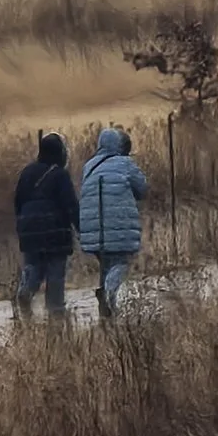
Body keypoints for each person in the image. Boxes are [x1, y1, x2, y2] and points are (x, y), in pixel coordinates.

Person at [76, 125, 148, 319]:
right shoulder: (125, 164)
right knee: (121, 262)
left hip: (92, 227)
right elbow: (142, 188)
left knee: (106, 266)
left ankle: (107, 316)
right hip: (117, 225)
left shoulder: (89, 166)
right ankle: (108, 295)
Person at [11, 132, 80, 320]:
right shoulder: (60, 174)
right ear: (60, 152)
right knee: (55, 272)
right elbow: (70, 204)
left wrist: (23, 226)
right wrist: (80, 228)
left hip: (29, 230)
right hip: (55, 231)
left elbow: (17, 202)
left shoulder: (26, 172)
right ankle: (56, 312)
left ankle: (26, 290)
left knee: (34, 265)